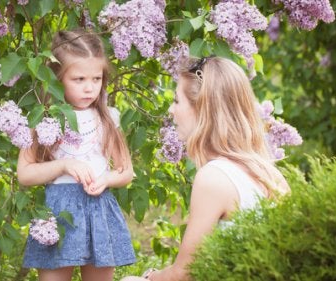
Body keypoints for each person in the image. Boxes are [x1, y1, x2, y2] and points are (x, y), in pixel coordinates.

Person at [122, 56, 290, 281]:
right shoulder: (271, 174)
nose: (171, 110)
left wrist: (147, 277)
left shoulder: (214, 177)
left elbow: (185, 273)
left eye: (177, 101)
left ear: (202, 109)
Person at [17, 29, 136, 281]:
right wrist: (64, 165)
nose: (89, 88)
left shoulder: (108, 118)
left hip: (99, 211)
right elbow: (25, 174)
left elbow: (126, 172)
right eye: (79, 79)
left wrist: (106, 179)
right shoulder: (43, 118)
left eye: (96, 79)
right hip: (58, 214)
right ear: (57, 78)